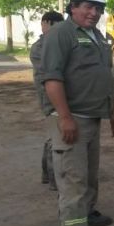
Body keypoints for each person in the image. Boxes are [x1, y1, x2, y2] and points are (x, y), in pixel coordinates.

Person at [41, 0, 114, 226]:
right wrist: (64, 118)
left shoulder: (97, 36)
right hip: (72, 120)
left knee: (87, 182)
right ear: (72, 6)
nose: (93, 12)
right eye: (87, 6)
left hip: (93, 119)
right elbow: (52, 78)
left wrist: (112, 114)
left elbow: (102, 78)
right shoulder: (61, 35)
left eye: (97, 7)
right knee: (72, 187)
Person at [30, 10, 64, 191]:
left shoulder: (53, 43)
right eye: (56, 26)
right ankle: (53, 179)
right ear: (45, 24)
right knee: (54, 139)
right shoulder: (39, 47)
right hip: (49, 96)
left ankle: (46, 174)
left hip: (54, 95)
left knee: (52, 136)